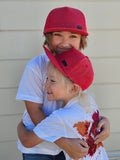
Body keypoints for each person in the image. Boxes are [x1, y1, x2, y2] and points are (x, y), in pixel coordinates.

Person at [16, 6, 110, 160]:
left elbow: (81, 104)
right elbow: (35, 113)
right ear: (47, 37)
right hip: (40, 148)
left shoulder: (79, 67)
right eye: (58, 34)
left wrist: (103, 121)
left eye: (73, 36)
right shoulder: (35, 67)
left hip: (69, 148)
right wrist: (64, 143)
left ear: (81, 41)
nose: (65, 43)